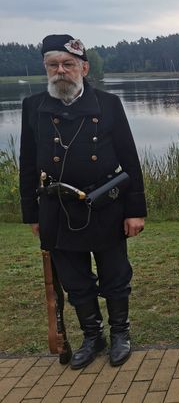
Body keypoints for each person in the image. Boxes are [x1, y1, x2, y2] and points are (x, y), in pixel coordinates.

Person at [19, 34, 147, 369]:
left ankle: (120, 333)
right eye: (53, 65)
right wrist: (31, 214)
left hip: (105, 203)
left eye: (68, 64)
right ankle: (93, 337)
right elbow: (28, 162)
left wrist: (135, 210)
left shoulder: (108, 104)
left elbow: (130, 160)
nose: (60, 71)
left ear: (83, 67)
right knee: (74, 280)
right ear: (46, 68)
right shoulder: (33, 107)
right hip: (56, 208)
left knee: (115, 275)